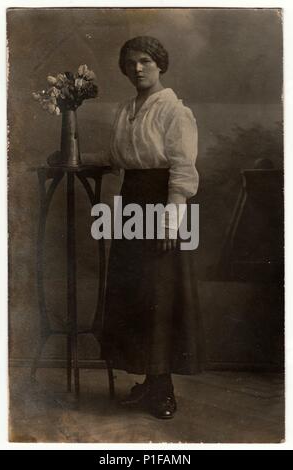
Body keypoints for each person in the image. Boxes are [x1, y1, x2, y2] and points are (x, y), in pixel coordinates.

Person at [101, 36, 205, 419]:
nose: (138, 69)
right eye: (130, 63)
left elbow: (181, 170)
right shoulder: (126, 109)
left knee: (159, 295)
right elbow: (117, 158)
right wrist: (74, 154)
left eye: (145, 61)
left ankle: (164, 390)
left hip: (162, 205)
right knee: (135, 295)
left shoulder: (174, 111)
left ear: (160, 63)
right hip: (131, 202)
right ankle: (148, 383)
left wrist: (170, 222)